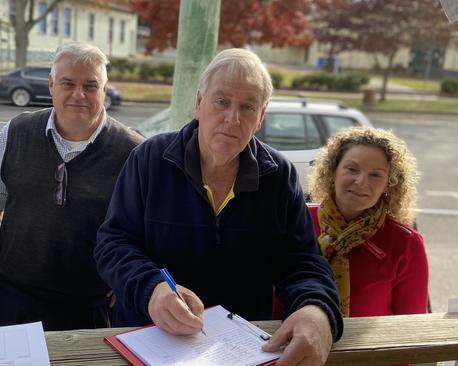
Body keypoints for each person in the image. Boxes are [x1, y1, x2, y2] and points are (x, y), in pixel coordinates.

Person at [94, 48, 343, 365]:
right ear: (199, 104)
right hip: (150, 342)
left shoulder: (279, 176)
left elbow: (302, 261)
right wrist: (151, 289)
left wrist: (316, 309)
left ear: (260, 118)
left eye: (247, 107)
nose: (232, 118)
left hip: (241, 353)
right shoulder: (149, 159)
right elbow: (112, 244)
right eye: (222, 102)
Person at [0, 42, 143, 331]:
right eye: (68, 83)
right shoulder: (16, 131)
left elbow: (143, 226)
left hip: (89, 304)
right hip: (14, 295)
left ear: (104, 91)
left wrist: (125, 277)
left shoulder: (132, 151)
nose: (78, 95)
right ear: (52, 84)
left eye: (91, 86)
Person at [307, 127, 428, 317]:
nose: (361, 181)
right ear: (333, 171)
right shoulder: (296, 220)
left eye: (376, 175)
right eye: (352, 169)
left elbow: (411, 326)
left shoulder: (406, 243)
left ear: (389, 184)